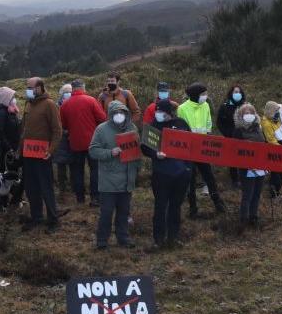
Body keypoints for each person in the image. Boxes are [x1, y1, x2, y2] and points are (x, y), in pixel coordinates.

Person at [87, 101, 139, 249]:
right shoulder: (101, 129)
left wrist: (136, 171)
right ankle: (102, 240)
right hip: (108, 180)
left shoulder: (132, 128)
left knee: (124, 212)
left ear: (126, 114)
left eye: (122, 112)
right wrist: (111, 152)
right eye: (116, 113)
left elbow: (136, 151)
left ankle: (123, 238)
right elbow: (93, 150)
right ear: (110, 114)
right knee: (106, 213)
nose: (119, 115)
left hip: (127, 179)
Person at [143, 100, 192, 250]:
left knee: (175, 206)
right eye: (157, 111)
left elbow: (192, 144)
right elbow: (144, 147)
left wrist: (188, 168)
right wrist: (155, 154)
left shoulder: (181, 123)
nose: (158, 114)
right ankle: (158, 239)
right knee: (160, 206)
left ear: (169, 113)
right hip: (161, 174)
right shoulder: (152, 126)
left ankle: (173, 237)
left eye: (161, 112)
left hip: (180, 173)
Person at [21, 78, 63, 232]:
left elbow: (57, 131)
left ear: (39, 88)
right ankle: (36, 217)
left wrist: (50, 151)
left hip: (43, 155)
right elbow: (24, 129)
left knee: (46, 188)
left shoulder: (50, 105)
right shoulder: (28, 104)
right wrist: (20, 150)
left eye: (30, 87)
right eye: (27, 87)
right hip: (27, 154)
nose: (28, 90)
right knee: (31, 188)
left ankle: (53, 220)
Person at [178, 83, 225, 216]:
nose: (205, 96)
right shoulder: (182, 108)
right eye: (203, 94)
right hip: (189, 149)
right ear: (195, 95)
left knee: (209, 175)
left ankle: (218, 203)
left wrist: (208, 134)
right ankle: (192, 207)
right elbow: (181, 126)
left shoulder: (205, 106)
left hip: (203, 147)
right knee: (191, 178)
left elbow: (208, 122)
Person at [59, 79, 108, 206]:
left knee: (77, 171)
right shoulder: (91, 100)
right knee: (95, 170)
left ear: (73, 89)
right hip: (92, 142)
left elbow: (63, 125)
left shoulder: (65, 104)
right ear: (83, 88)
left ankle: (80, 198)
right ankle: (95, 198)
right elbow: (102, 118)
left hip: (74, 143)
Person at [234, 103, 269, 227]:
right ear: (241, 115)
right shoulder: (238, 131)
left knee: (257, 194)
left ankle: (253, 218)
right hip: (246, 169)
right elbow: (235, 149)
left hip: (260, 167)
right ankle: (244, 219)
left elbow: (265, 144)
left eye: (251, 113)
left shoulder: (258, 128)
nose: (249, 115)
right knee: (247, 194)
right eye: (246, 113)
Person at [217, 84, 246, 189]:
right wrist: (228, 134)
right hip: (230, 137)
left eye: (239, 92)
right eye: (235, 92)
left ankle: (244, 179)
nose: (237, 94)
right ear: (231, 94)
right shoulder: (225, 106)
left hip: (244, 138)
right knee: (232, 159)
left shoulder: (245, 106)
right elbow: (220, 123)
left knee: (244, 158)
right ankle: (235, 180)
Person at [0, 86, 22, 177]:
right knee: (5, 171)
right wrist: (8, 147)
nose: (14, 99)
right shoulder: (1, 113)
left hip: (11, 147)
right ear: (6, 98)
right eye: (12, 97)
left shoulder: (10, 109)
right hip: (5, 150)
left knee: (12, 170)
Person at [260, 101, 282, 198]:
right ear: (271, 110)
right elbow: (271, 140)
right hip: (274, 151)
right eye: (276, 110)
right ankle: (274, 195)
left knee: (280, 174)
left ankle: (276, 193)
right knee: (277, 174)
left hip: (280, 150)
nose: (278, 112)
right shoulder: (266, 123)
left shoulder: (276, 120)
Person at [53, 83, 75, 189]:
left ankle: (73, 184)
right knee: (61, 163)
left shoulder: (75, 104)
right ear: (62, 94)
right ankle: (62, 185)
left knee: (73, 163)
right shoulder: (56, 106)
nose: (68, 94)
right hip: (61, 139)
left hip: (72, 138)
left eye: (70, 92)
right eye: (66, 92)